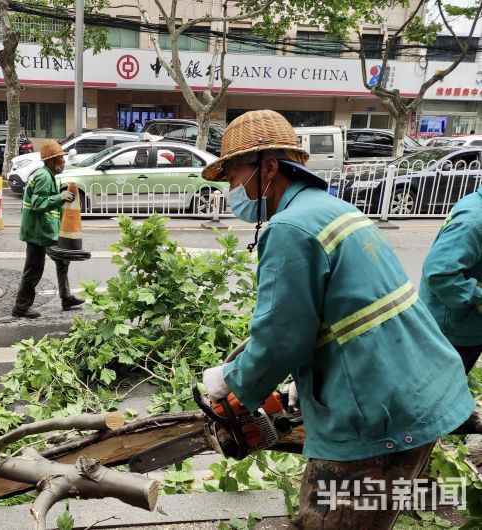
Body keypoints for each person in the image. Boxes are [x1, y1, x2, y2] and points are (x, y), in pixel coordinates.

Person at [199, 110, 474, 529]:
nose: (233, 192)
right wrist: (307, 381)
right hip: (416, 390)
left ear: (269, 167)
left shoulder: (290, 228)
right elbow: (348, 314)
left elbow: (281, 338)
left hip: (384, 413)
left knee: (330, 521)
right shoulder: (332, 208)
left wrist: (233, 382)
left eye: (235, 179)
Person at [12, 139, 85, 318]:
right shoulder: (44, 177)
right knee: (34, 268)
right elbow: (38, 203)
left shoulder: (46, 174)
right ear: (52, 161)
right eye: (61, 159)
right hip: (37, 232)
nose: (63, 162)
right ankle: (21, 307)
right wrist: (60, 198)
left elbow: (49, 204)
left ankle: (66, 298)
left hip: (45, 231)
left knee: (62, 260)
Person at [420, 185, 482, 373]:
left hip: (465, 326)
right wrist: (478, 296)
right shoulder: (473, 221)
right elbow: (439, 273)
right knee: (441, 394)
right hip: (454, 331)